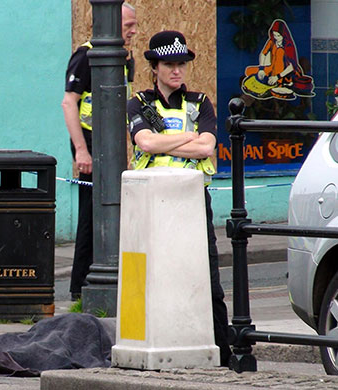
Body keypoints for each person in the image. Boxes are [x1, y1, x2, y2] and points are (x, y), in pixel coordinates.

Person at [127, 31, 232, 366]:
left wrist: (169, 138)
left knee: (208, 278)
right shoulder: (139, 103)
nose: (177, 70)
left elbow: (206, 147)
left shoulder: (200, 102)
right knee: (154, 277)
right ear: (154, 67)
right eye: (169, 64)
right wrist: (188, 135)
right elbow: (145, 143)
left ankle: (223, 353)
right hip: (151, 200)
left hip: (191, 196)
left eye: (182, 64)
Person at [62, 2, 137, 301]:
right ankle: (80, 288)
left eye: (134, 25)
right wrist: (81, 151)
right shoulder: (86, 54)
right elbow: (69, 103)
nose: (133, 31)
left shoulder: (124, 56)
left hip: (113, 146)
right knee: (90, 216)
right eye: (128, 25)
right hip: (91, 145)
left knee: (113, 213)